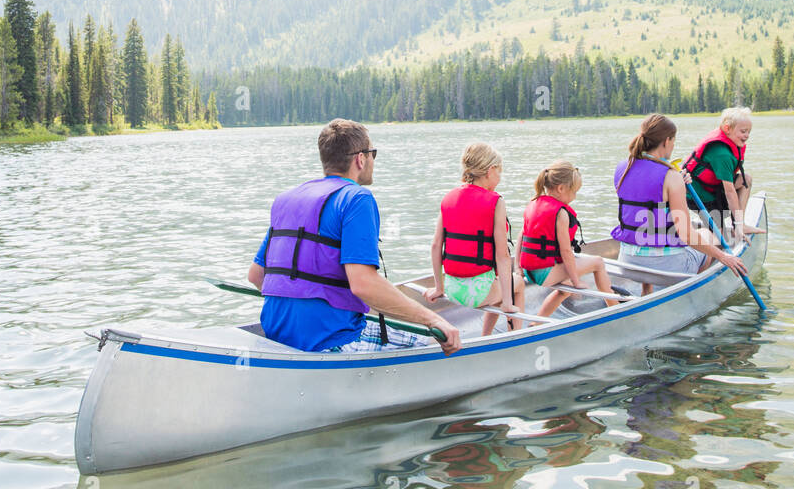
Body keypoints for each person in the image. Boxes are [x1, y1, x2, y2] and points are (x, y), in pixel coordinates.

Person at [248, 119, 460, 354]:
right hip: (332, 340)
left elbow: (257, 276)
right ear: (361, 158)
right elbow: (363, 284)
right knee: (431, 343)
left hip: (277, 336)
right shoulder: (357, 199)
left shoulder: (285, 199)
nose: (372, 161)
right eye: (373, 155)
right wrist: (433, 320)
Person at [612, 113, 750, 296]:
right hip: (665, 268)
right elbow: (686, 235)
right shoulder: (671, 176)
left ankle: (647, 292)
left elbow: (646, 194)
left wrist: (676, 180)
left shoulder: (623, 167)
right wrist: (724, 257)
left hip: (627, 262)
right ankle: (692, 292)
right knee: (706, 235)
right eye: (674, 141)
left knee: (652, 235)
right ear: (667, 141)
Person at [424, 142, 526, 337]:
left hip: (452, 289)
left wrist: (439, 287)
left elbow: (436, 245)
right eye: (499, 172)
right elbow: (503, 256)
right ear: (490, 170)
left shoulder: (448, 198)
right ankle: (516, 336)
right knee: (518, 284)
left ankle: (485, 336)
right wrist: (507, 301)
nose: (499, 178)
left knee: (496, 283)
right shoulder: (496, 201)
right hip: (478, 293)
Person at [516, 161, 616, 318]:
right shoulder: (561, 214)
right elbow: (565, 251)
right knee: (598, 262)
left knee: (564, 290)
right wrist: (577, 282)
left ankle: (538, 322)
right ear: (561, 188)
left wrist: (518, 267)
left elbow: (521, 237)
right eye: (574, 191)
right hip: (545, 273)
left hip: (530, 272)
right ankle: (614, 308)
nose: (575, 196)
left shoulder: (534, 203)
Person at [683, 107, 757, 242]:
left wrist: (738, 224)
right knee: (720, 239)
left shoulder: (730, 145)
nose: (747, 135)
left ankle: (740, 225)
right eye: (743, 131)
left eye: (749, 132)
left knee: (746, 180)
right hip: (699, 196)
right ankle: (692, 238)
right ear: (727, 129)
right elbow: (730, 192)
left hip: (714, 189)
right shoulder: (722, 154)